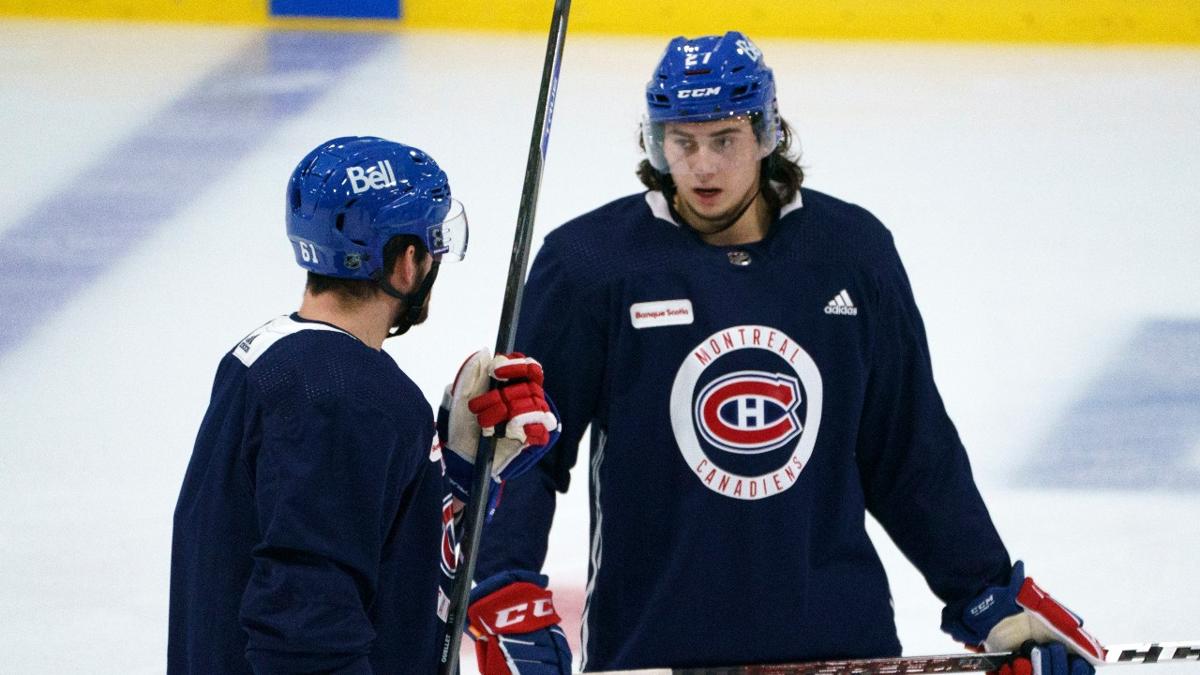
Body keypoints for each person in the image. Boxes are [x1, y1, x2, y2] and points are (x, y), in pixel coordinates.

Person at [470, 31, 1105, 675]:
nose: (703, 167)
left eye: (724, 140)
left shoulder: (851, 251)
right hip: (658, 641)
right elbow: (524, 444)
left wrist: (988, 593)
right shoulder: (590, 263)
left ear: (768, 135)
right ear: (655, 142)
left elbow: (909, 450)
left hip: (839, 640)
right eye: (682, 142)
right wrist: (501, 584)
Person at [168, 136, 561, 674]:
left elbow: (345, 546)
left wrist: (461, 478)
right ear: (406, 263)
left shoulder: (263, 359)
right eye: (433, 246)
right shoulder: (351, 398)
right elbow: (304, 626)